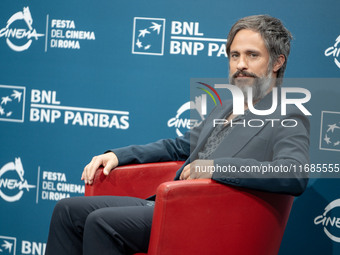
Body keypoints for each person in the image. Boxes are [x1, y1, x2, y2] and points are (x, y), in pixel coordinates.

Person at [45, 15, 310, 255]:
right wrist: (117, 155)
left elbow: (293, 173)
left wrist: (215, 167)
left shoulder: (288, 114)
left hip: (212, 219)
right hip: (171, 205)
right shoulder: (225, 107)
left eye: (252, 55)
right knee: (67, 211)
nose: (240, 64)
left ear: (277, 62)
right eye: (234, 55)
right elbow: (178, 147)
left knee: (101, 223)